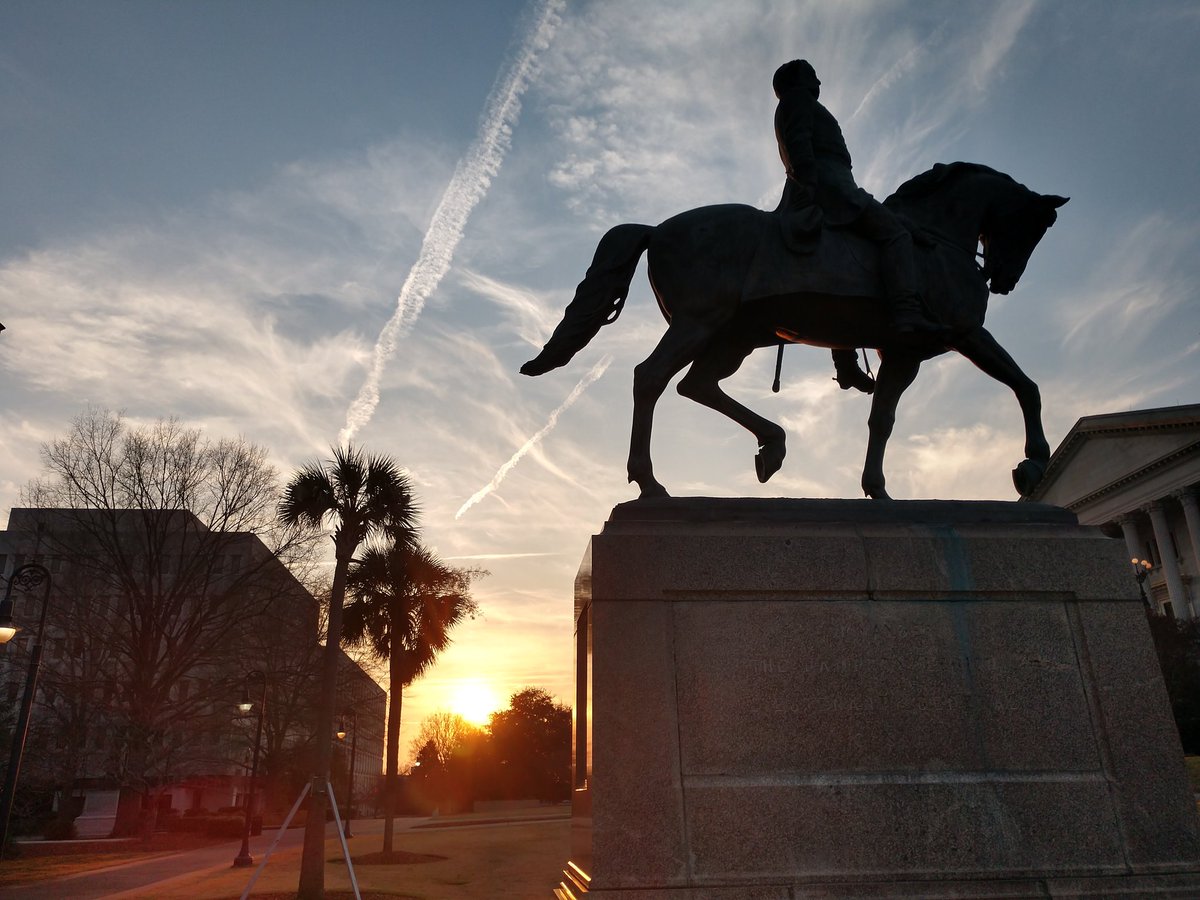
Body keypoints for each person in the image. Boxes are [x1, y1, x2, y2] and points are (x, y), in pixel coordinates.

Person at [772, 59, 941, 393]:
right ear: (796, 81)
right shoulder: (799, 101)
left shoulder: (800, 102)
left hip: (832, 183)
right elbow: (799, 144)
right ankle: (907, 312)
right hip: (830, 186)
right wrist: (811, 185)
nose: (818, 80)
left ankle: (845, 365)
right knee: (896, 234)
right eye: (812, 75)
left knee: (842, 271)